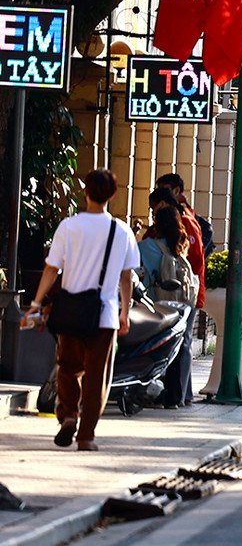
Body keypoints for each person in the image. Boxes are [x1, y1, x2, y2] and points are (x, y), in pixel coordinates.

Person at [27, 169, 140, 451]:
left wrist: (36, 303)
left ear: (85, 191)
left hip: (70, 311)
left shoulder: (69, 226)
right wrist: (124, 312)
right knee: (96, 376)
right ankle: (86, 436)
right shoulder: (122, 231)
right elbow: (127, 277)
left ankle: (68, 414)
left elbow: (52, 268)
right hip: (104, 315)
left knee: (67, 368)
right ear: (112, 195)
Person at [145, 206, 196, 407]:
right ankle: (177, 397)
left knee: (155, 349)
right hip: (181, 304)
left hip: (154, 305)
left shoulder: (147, 246)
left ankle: (155, 394)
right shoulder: (182, 245)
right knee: (179, 347)